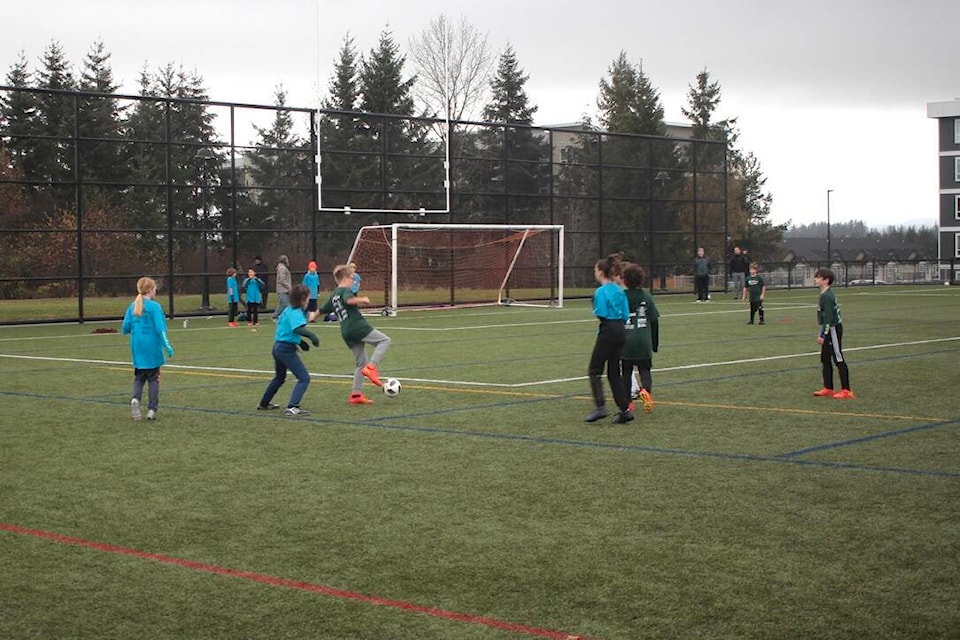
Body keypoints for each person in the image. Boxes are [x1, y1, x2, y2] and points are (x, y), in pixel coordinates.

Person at [320, 264, 392, 405]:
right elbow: (349, 300)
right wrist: (362, 299)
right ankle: (371, 368)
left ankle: (356, 395)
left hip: (346, 332)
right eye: (352, 278)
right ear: (346, 279)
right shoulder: (346, 291)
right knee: (384, 341)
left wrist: (312, 315)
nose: (353, 281)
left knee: (360, 363)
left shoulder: (334, 295)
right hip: (357, 326)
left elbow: (322, 309)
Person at [257, 284, 320, 416]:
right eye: (307, 298)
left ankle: (264, 403)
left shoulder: (288, 309)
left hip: (278, 346)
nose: (308, 300)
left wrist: (299, 342)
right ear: (302, 299)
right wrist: (312, 337)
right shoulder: (295, 312)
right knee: (304, 378)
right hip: (285, 349)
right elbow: (297, 329)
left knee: (279, 378)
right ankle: (293, 407)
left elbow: (286, 330)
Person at [585, 254, 633, 424]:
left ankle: (600, 407)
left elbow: (601, 313)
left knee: (594, 370)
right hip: (621, 330)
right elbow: (626, 313)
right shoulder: (619, 290)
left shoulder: (600, 292)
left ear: (600, 272)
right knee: (614, 372)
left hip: (609, 329)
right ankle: (625, 410)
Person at [121, 277, 174, 422]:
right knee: (154, 378)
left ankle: (135, 399)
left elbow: (125, 328)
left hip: (137, 346)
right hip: (152, 347)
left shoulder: (133, 306)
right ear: (151, 290)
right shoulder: (155, 307)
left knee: (139, 377)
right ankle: (152, 409)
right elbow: (160, 329)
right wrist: (168, 347)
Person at [620, 262, 659, 414]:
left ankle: (628, 403)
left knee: (626, 372)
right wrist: (654, 344)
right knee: (645, 370)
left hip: (626, 340)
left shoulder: (621, 296)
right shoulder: (646, 297)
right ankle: (646, 391)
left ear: (624, 280)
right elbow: (654, 321)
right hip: (643, 341)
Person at [813, 268, 855, 399]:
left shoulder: (827, 296)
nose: (815, 279)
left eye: (818, 277)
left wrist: (822, 335)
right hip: (829, 329)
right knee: (825, 358)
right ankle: (828, 387)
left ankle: (847, 390)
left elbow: (829, 319)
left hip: (833, 329)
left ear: (825, 280)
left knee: (838, 358)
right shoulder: (825, 294)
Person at [272, 254, 292, 322]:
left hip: (284, 289)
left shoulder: (282, 268)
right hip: (282, 289)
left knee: (285, 304)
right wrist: (289, 287)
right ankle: (275, 316)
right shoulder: (282, 268)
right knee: (284, 303)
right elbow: (282, 280)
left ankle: (284, 317)